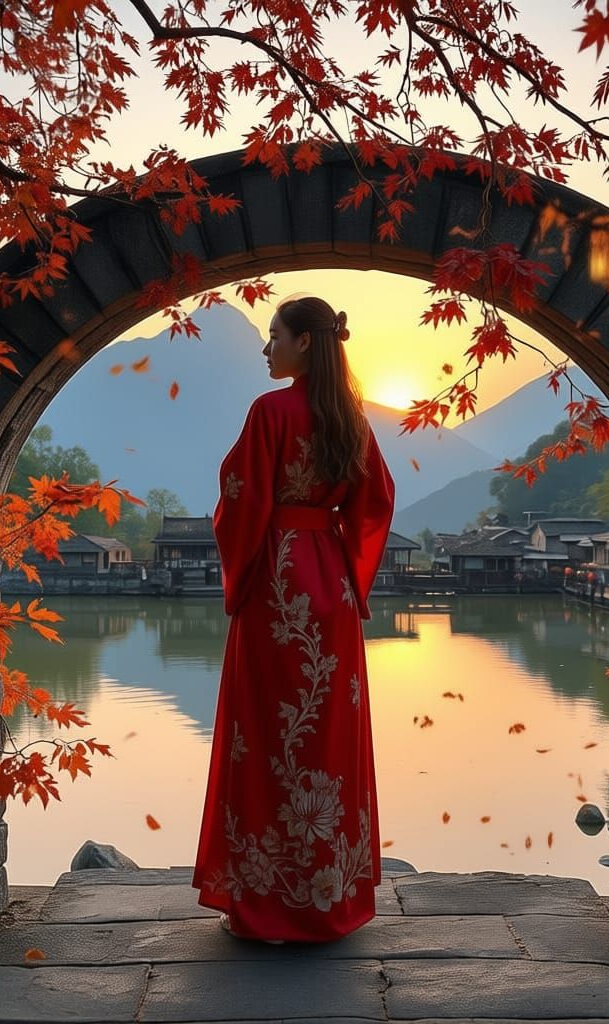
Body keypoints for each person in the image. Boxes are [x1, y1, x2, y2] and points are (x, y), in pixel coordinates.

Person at [190, 294, 396, 944]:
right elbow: (377, 501)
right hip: (329, 586)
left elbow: (239, 499)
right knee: (326, 740)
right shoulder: (349, 417)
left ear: (305, 341)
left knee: (266, 736)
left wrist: (242, 570)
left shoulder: (269, 412)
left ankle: (262, 900)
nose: (266, 346)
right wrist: (348, 573)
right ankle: (327, 897)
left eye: (274, 335)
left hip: (277, 584)